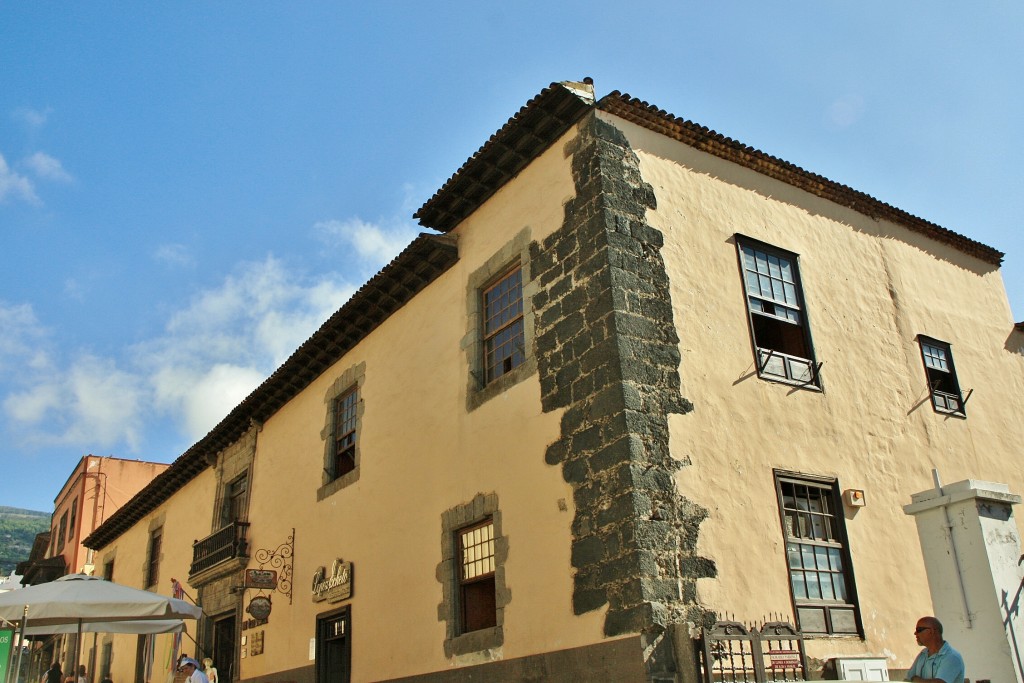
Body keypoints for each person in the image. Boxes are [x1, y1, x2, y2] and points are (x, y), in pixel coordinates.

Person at [905, 616, 965, 683]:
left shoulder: (952, 657)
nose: (915, 633)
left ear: (931, 631)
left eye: (919, 630)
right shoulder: (922, 654)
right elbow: (908, 679)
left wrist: (916, 680)